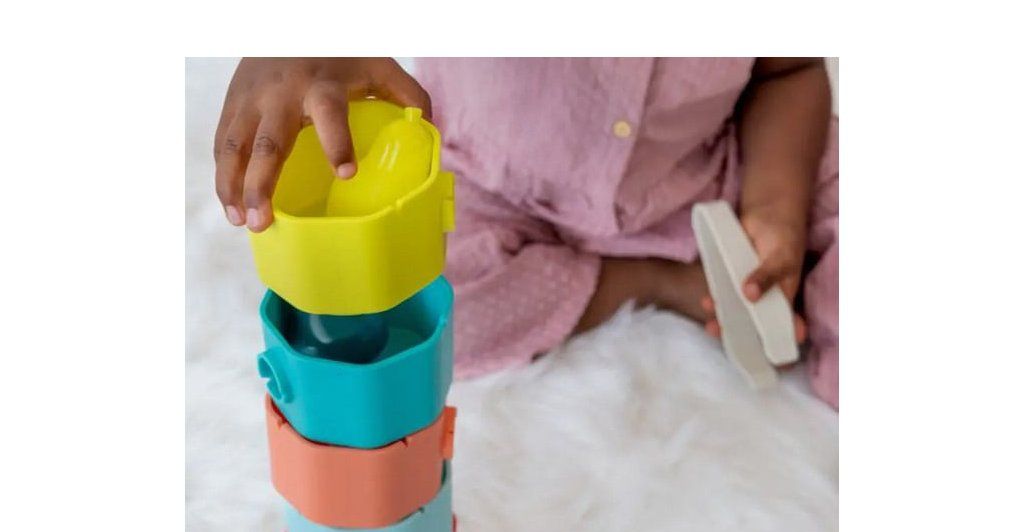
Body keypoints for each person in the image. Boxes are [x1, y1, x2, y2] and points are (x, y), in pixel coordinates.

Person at [215, 57, 838, 408]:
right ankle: (656, 281)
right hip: (495, 187)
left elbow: (791, 71)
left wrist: (774, 212)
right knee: (413, 311)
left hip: (699, 171)